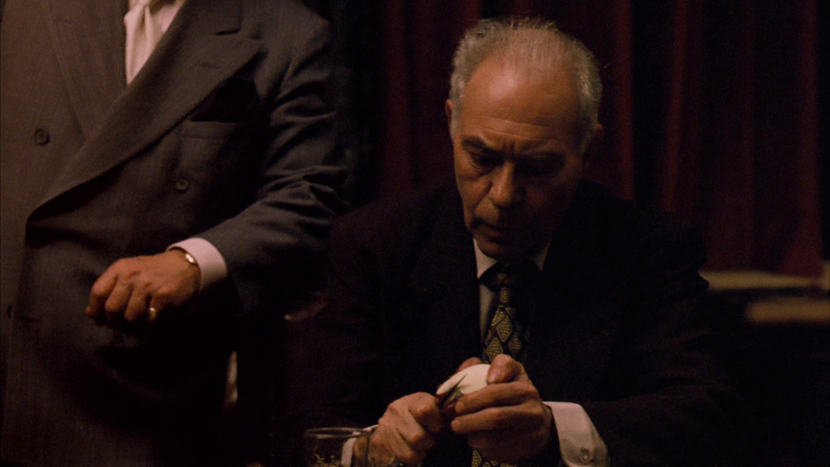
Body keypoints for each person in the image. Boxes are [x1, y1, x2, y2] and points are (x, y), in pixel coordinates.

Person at [281, 17, 740, 467]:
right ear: (451, 124)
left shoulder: (649, 248)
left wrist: (554, 430)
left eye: (538, 168)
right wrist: (368, 448)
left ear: (587, 152)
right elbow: (303, 430)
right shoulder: (377, 243)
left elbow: (704, 418)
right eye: (481, 158)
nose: (503, 196)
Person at [0, 0, 349, 465]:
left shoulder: (289, 33)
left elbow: (309, 197)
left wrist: (192, 262)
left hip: (133, 384)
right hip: (11, 345)